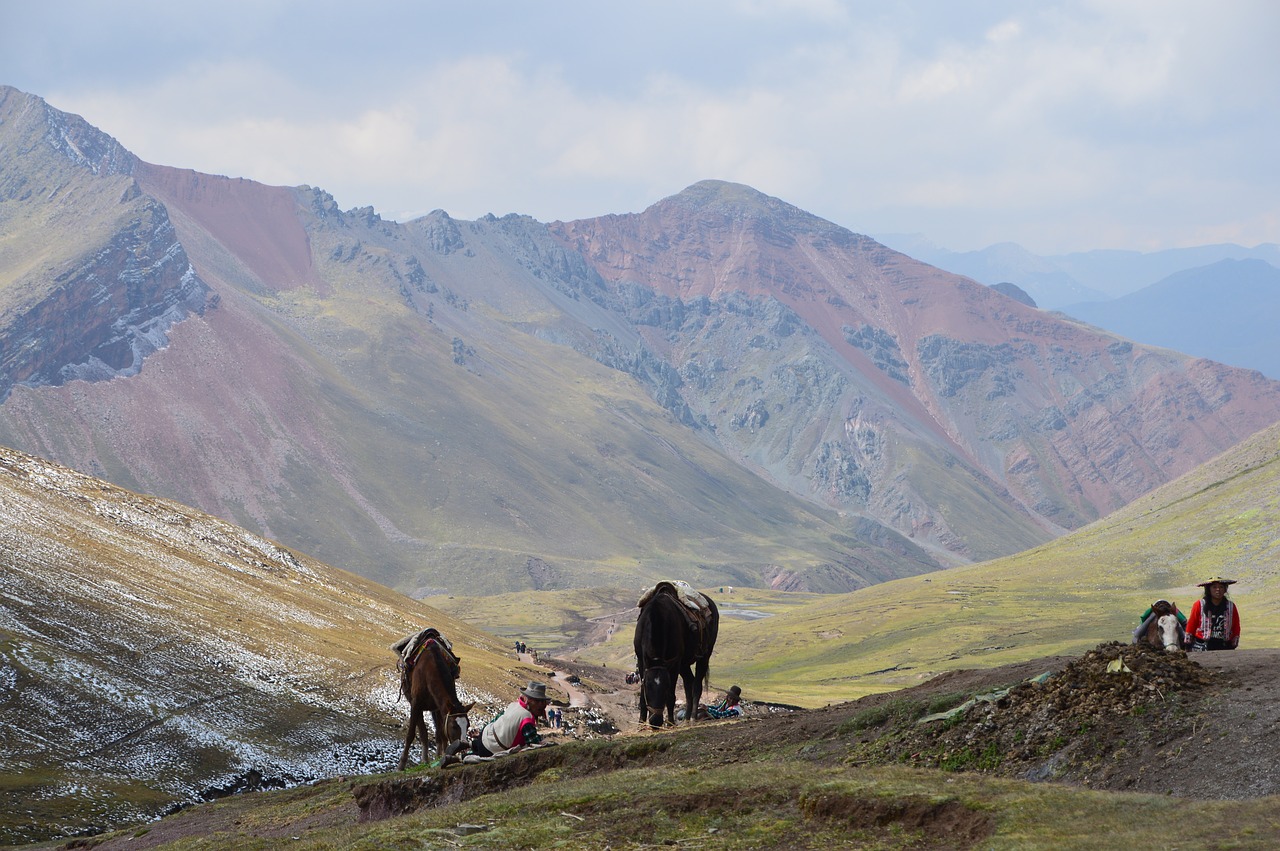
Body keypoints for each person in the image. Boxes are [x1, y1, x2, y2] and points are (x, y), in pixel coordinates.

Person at [468, 682, 551, 757]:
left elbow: (497, 719)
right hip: (491, 749)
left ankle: (471, 744)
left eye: (543, 702)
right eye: (537, 701)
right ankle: (467, 752)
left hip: (485, 733)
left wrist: (481, 734)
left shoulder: (514, 705)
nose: (541, 705)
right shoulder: (527, 719)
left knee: (481, 745)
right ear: (527, 701)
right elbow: (534, 742)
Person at [1184, 577, 1241, 651]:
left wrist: (1234, 641)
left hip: (1224, 646)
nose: (1218, 589)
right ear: (1208, 589)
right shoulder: (1199, 605)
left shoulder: (1231, 606)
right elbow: (1192, 624)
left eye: (1221, 587)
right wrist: (1187, 644)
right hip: (1201, 646)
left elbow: (1236, 625)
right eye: (1214, 587)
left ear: (1225, 589)